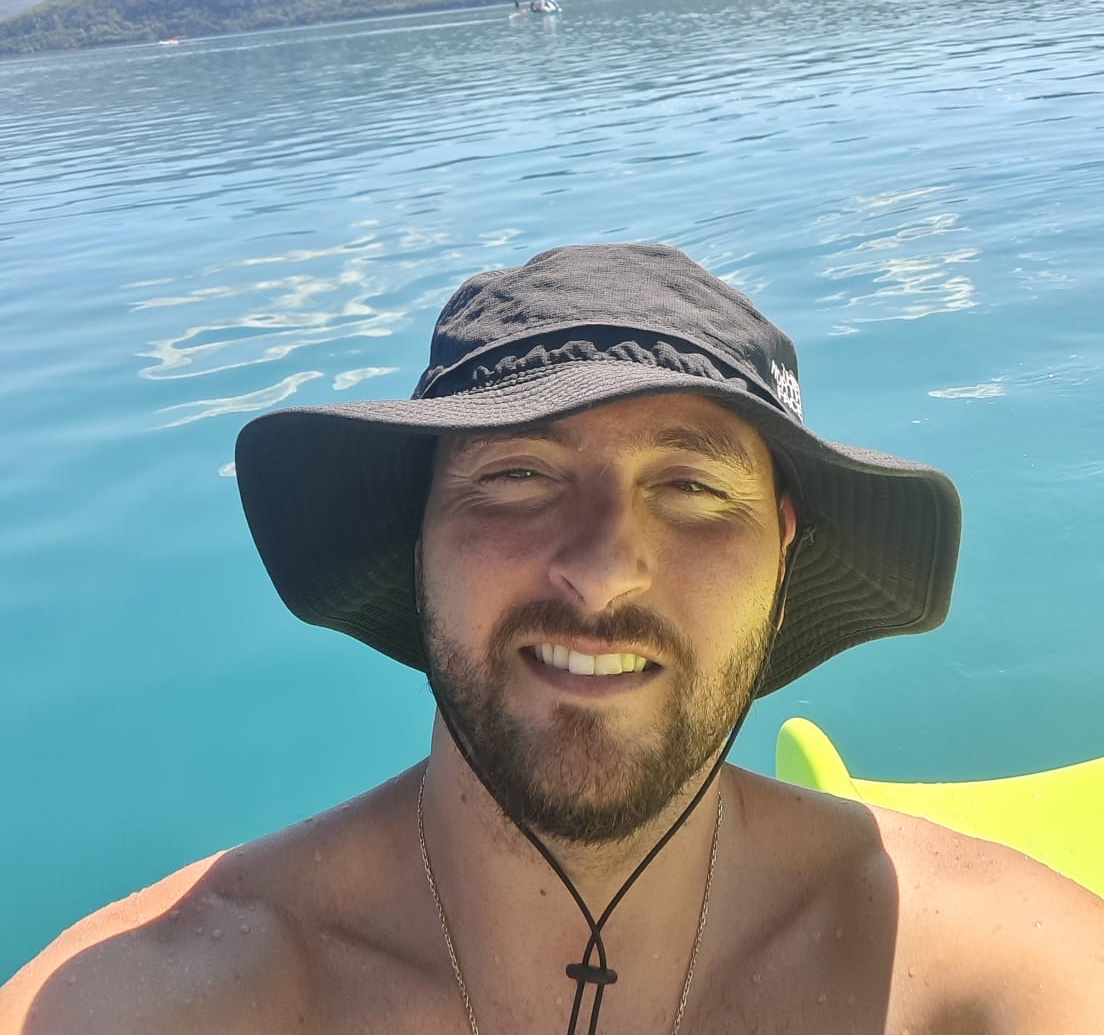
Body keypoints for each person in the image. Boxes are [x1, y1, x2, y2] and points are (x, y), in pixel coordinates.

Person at [3, 242, 1102, 1035]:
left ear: (783, 555)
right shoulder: (145, 1003)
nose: (602, 567)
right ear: (418, 540)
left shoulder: (993, 980)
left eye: (692, 485)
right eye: (518, 473)